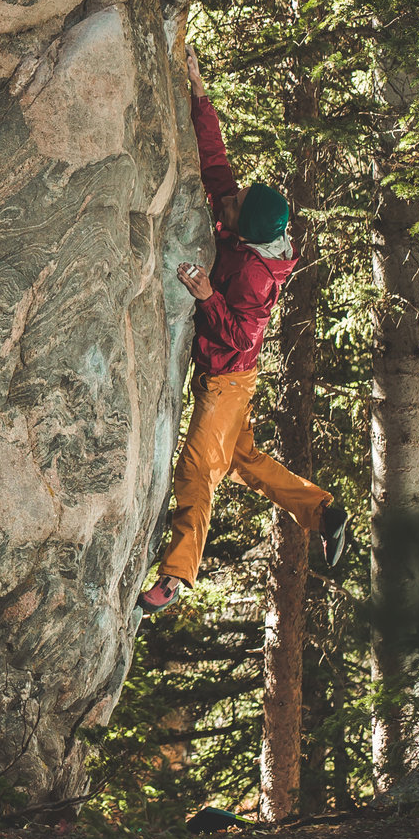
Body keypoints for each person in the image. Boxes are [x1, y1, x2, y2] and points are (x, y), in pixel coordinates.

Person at [138, 49, 351, 618]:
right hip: (235, 381)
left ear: (246, 232)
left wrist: (207, 295)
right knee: (245, 461)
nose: (223, 203)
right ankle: (323, 511)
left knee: (197, 471)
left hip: (227, 380)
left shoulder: (255, 276)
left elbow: (239, 337)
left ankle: (176, 577)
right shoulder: (252, 230)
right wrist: (199, 92)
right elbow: (216, 165)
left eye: (230, 210)